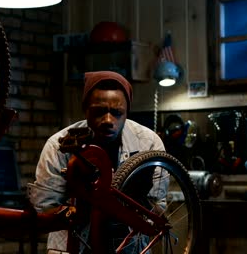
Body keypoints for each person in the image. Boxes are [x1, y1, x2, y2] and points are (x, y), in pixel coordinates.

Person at [28, 70, 166, 253]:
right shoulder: (59, 145)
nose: (108, 120)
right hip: (74, 244)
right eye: (99, 111)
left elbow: (157, 204)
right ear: (85, 109)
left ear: (127, 112)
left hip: (129, 245)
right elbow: (45, 207)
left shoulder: (148, 143)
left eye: (117, 113)